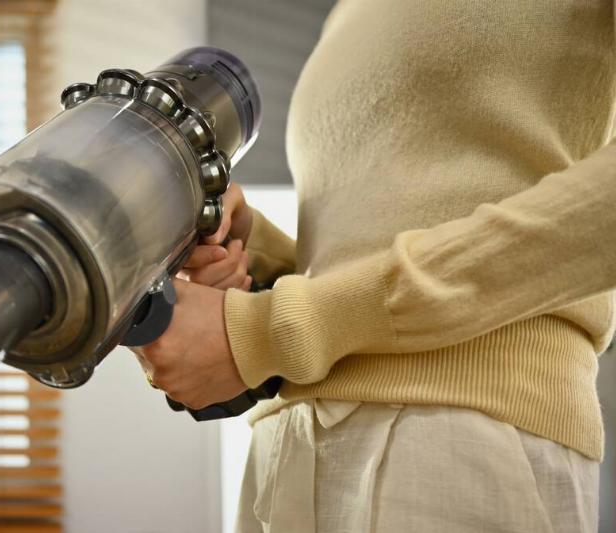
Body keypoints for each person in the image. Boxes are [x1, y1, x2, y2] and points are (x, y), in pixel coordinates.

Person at [133, 1, 614, 531]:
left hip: (459, 435)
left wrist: (273, 329)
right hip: (293, 444)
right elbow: (371, 244)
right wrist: (257, 248)